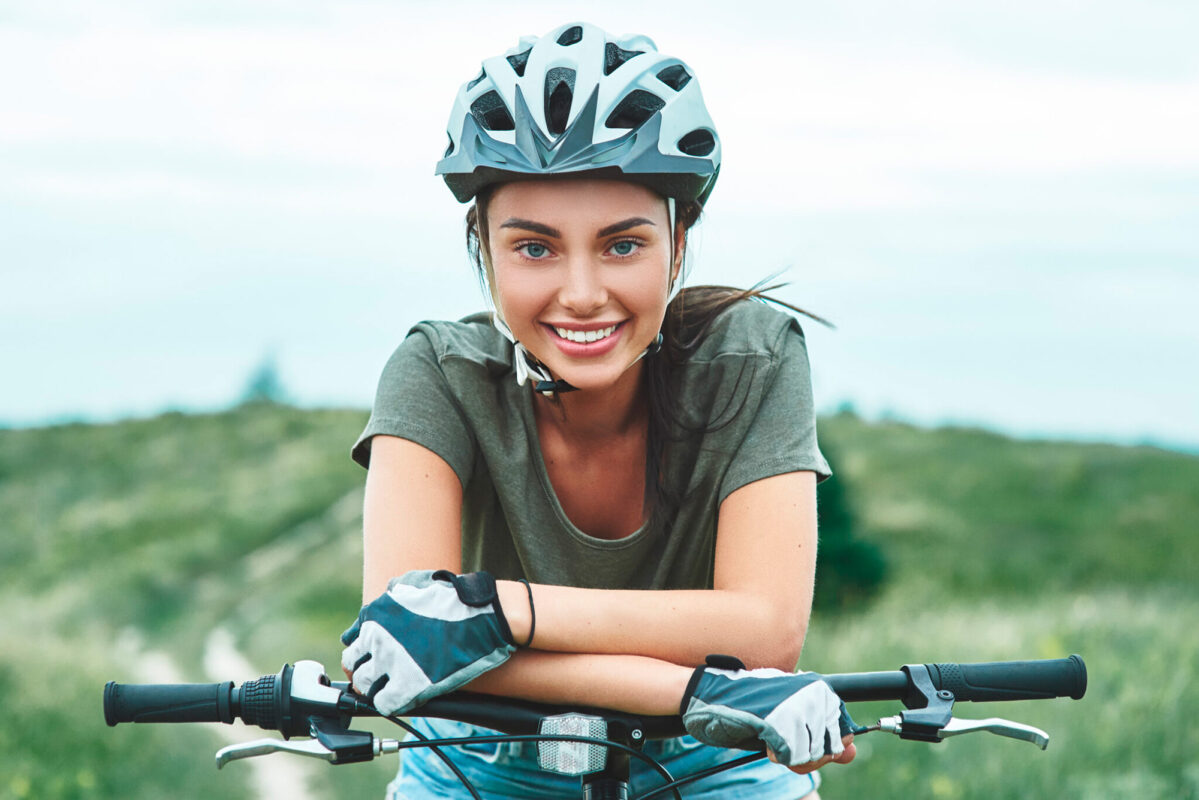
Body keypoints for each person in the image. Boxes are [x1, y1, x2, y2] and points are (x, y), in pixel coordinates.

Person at [340, 21, 856, 799]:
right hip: (479, 756)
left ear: (678, 244)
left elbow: (764, 631)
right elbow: (409, 640)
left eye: (622, 245)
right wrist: (691, 691)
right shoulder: (436, 374)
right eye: (534, 248)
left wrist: (496, 611)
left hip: (716, 761)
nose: (581, 293)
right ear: (481, 242)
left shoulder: (752, 359)